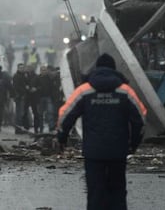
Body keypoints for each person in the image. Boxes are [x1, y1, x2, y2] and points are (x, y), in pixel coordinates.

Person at [56, 53, 146, 210]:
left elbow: (65, 115)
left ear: (96, 69)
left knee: (95, 192)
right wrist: (134, 143)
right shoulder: (125, 91)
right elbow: (140, 118)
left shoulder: (84, 91)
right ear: (114, 69)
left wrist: (61, 138)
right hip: (118, 151)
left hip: (93, 152)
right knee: (117, 192)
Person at [32, 65, 56, 132]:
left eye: (45, 70)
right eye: (42, 70)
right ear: (40, 71)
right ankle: (41, 128)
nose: (44, 71)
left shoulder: (49, 78)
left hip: (48, 97)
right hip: (40, 98)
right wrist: (37, 89)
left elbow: (52, 87)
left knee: (50, 113)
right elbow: (33, 87)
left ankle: (51, 128)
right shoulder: (37, 78)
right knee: (40, 114)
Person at [13, 63, 30, 133]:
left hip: (23, 96)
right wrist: (25, 89)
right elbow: (16, 87)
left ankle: (20, 128)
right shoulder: (16, 76)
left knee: (21, 113)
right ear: (18, 68)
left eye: (23, 68)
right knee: (19, 113)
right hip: (20, 97)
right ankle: (18, 129)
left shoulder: (24, 75)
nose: (22, 69)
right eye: (20, 68)